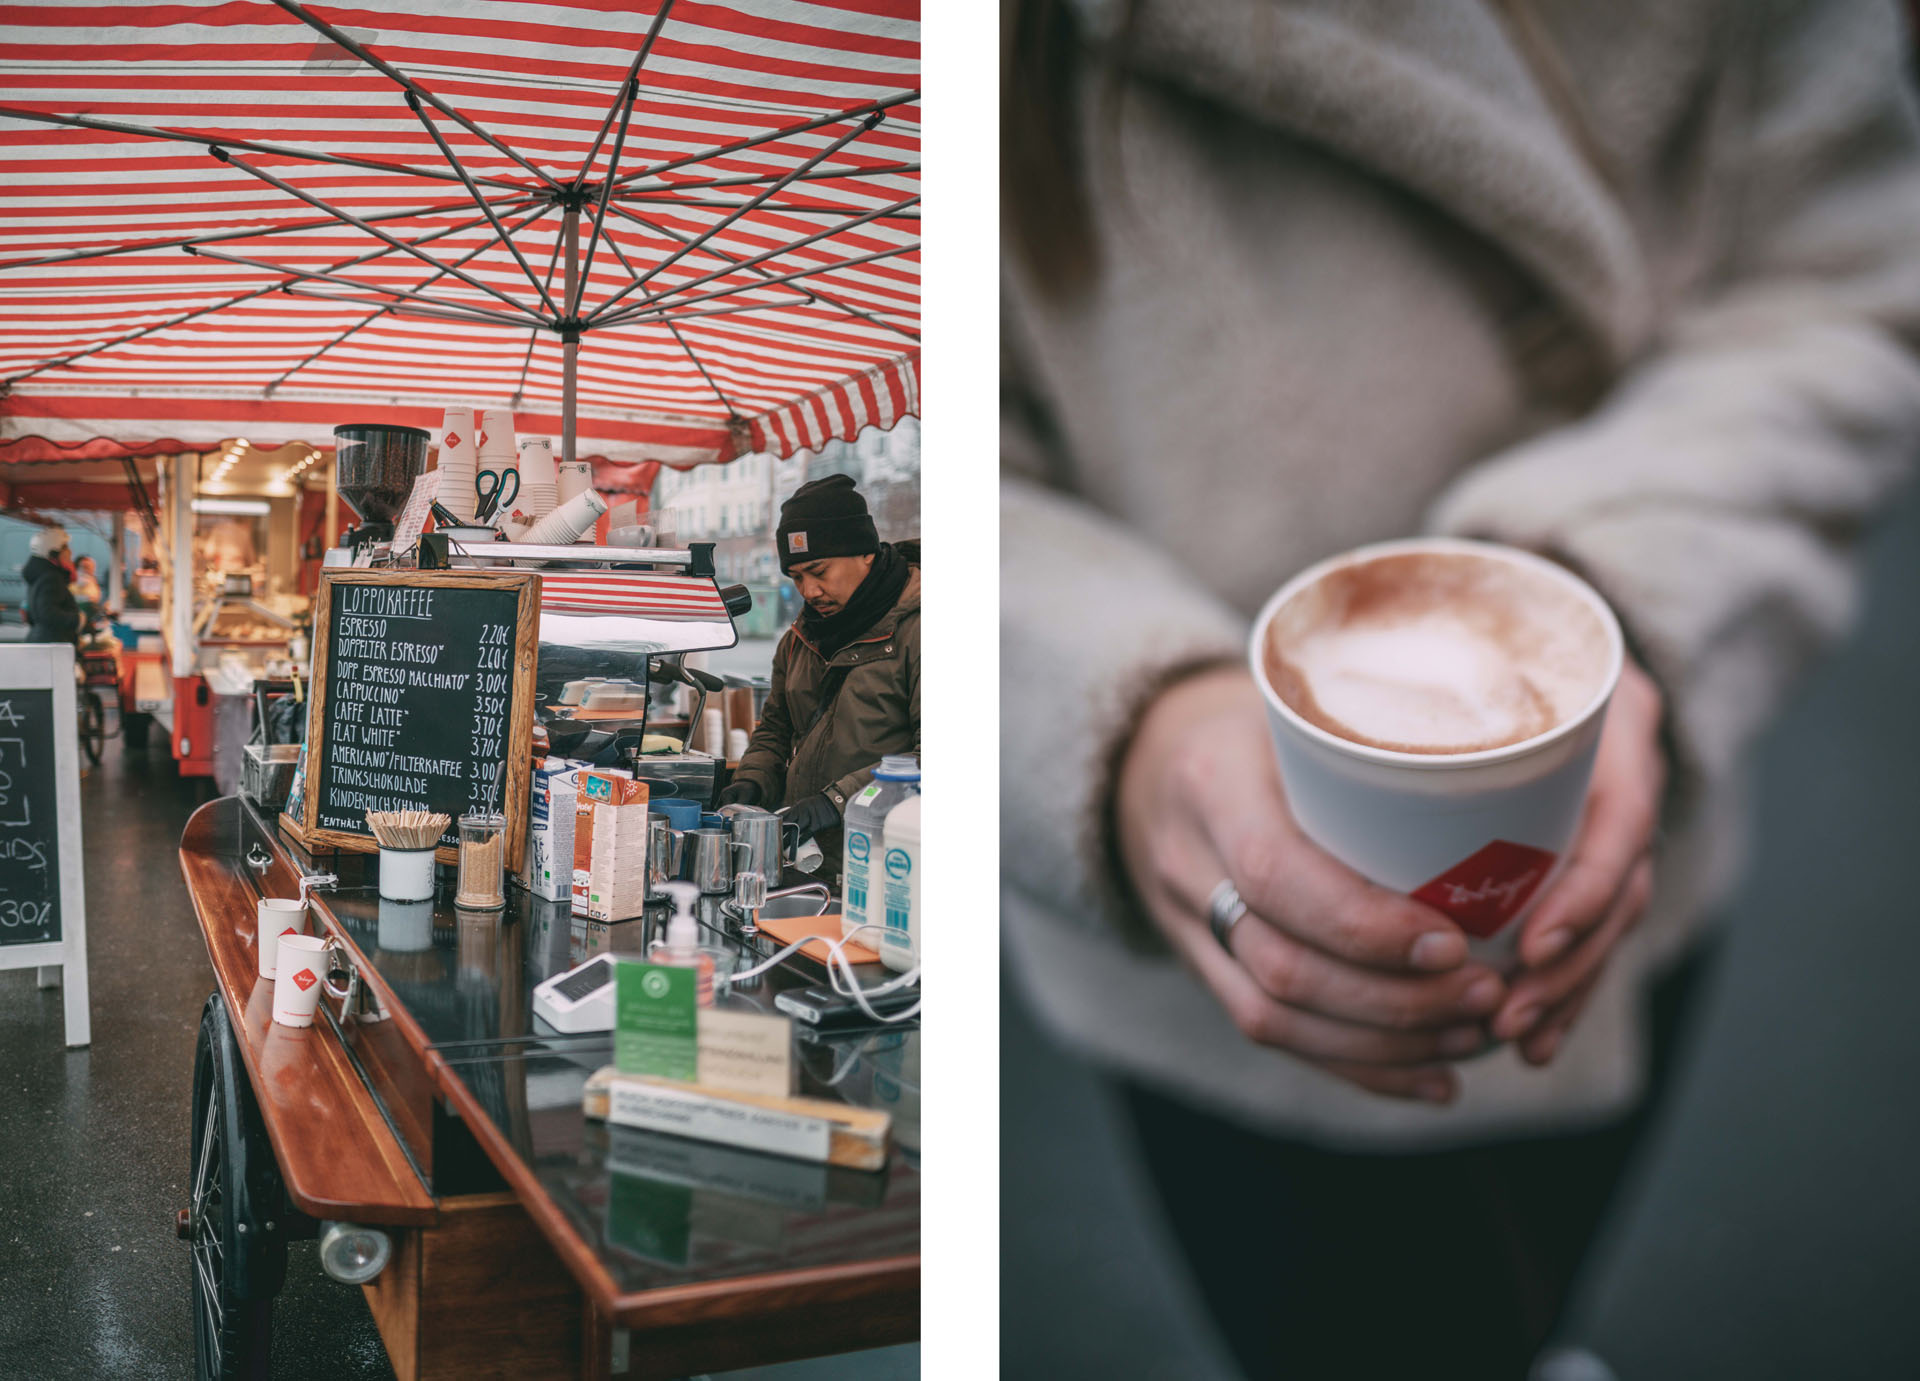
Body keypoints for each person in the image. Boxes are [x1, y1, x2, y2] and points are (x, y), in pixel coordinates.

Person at [1000, 2, 1920, 1377]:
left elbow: (1846, 272)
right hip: (1210, 952)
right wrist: (1124, 726)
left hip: (1644, 823)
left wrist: (1621, 571)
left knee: (1532, 1284)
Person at [718, 475, 919, 885]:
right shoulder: (800, 638)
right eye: (796, 577)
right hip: (808, 861)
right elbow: (776, 727)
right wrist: (753, 779)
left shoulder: (920, 630)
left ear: (864, 553)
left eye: (818, 570)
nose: (809, 590)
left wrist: (837, 801)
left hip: (888, 869)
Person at [22, 526, 81, 646]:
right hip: (52, 644)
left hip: (44, 641)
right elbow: (47, 614)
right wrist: (78, 619)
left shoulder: (41, 575)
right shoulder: (52, 578)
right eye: (66, 548)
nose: (70, 552)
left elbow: (34, 615)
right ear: (53, 553)